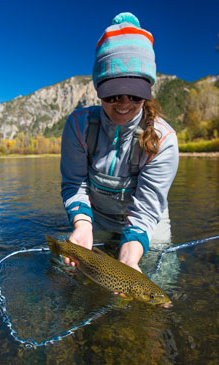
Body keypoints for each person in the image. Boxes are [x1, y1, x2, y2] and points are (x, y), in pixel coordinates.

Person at [60, 12, 179, 272]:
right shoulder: (79, 126)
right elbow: (75, 184)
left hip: (149, 224)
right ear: (99, 87)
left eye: (135, 96)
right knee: (67, 276)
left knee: (159, 283)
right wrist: (82, 224)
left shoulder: (164, 140)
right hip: (95, 221)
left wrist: (128, 261)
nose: (123, 104)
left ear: (147, 92)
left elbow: (147, 211)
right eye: (113, 95)